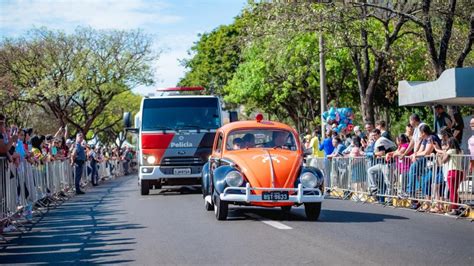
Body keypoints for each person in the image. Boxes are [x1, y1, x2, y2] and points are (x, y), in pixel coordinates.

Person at [439, 138, 465, 216]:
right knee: (455, 191)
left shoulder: (450, 151)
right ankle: (456, 207)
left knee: (452, 191)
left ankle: (454, 209)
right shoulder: (460, 151)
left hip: (452, 172)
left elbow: (443, 161)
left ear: (450, 144)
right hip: (459, 172)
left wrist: (442, 153)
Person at [366, 129, 397, 195]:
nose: (374, 137)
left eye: (375, 135)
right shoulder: (380, 140)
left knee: (388, 182)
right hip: (382, 163)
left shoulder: (380, 140)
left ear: (379, 134)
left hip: (388, 163)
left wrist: (373, 154)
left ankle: (389, 199)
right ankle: (374, 187)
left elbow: (382, 153)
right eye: (373, 135)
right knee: (370, 170)